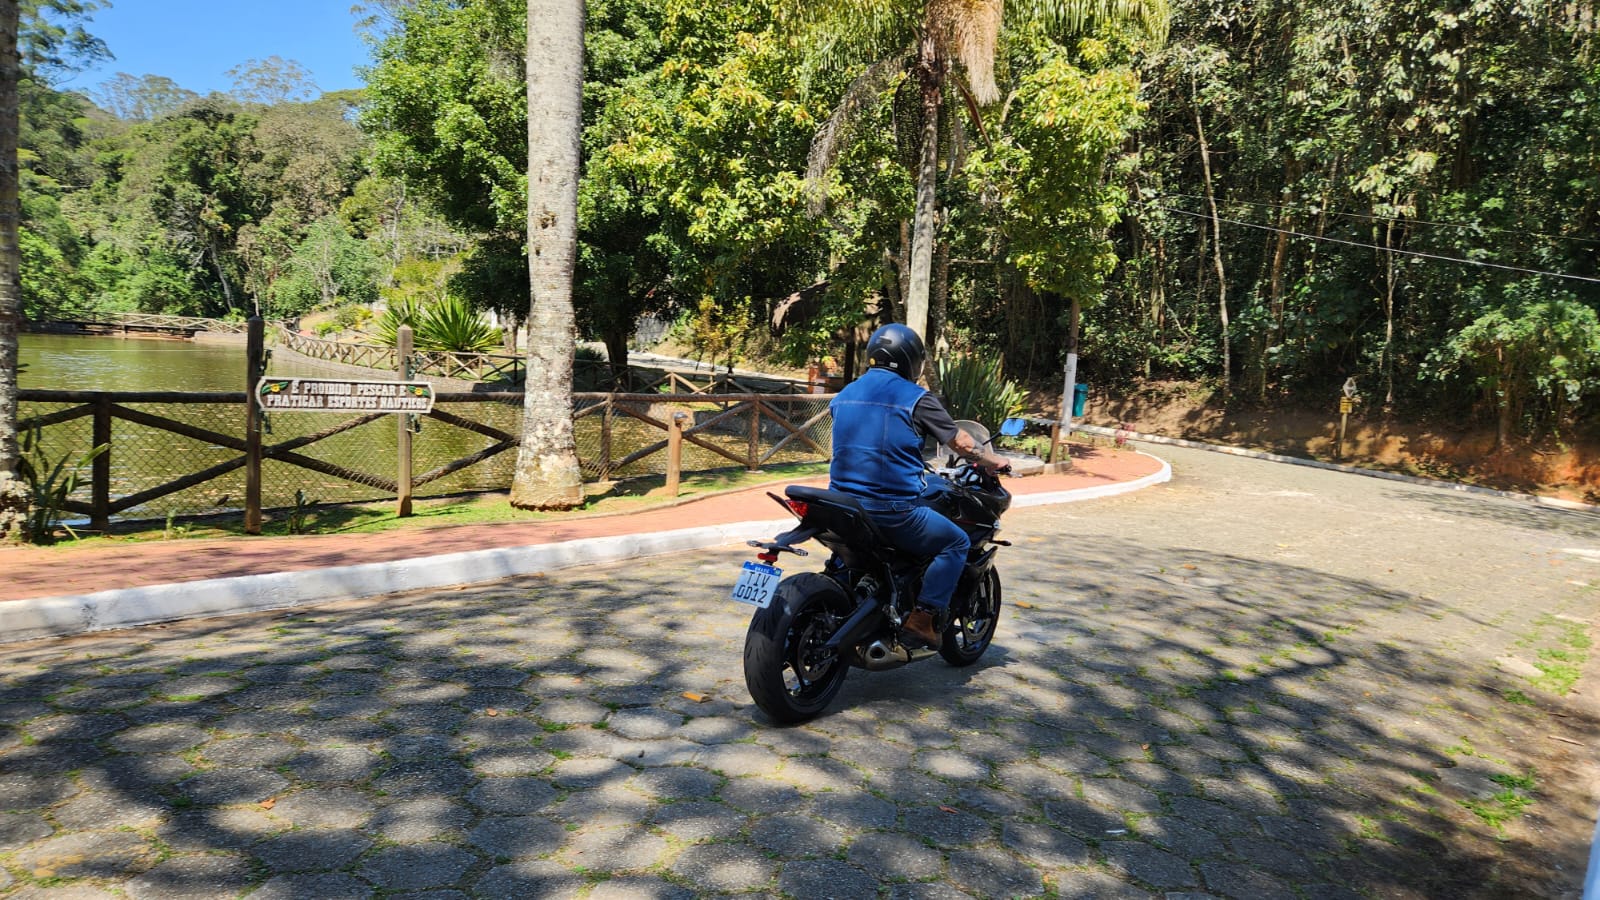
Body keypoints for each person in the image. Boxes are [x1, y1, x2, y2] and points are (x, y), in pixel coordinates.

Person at [828, 323, 1010, 649]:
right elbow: (961, 442)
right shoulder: (916, 398)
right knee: (955, 543)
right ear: (911, 360)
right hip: (890, 511)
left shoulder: (845, 394)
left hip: (839, 504)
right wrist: (991, 460)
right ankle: (922, 620)